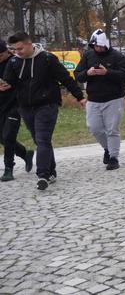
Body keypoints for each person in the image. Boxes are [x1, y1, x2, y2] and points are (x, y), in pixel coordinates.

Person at [0, 32, 86, 190]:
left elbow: (65, 78)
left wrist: (79, 97)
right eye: (14, 49)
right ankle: (51, 171)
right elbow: (9, 82)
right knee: (40, 140)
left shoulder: (47, 59)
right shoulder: (13, 62)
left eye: (20, 48)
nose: (17, 52)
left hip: (47, 105)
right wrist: (4, 86)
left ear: (29, 43)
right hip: (25, 107)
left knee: (42, 139)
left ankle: (43, 175)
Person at [74, 30, 125, 170]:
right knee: (94, 128)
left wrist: (107, 72)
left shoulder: (117, 56)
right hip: (93, 99)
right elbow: (77, 75)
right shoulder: (88, 55)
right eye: (94, 46)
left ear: (105, 44)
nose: (97, 49)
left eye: (99, 46)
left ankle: (113, 158)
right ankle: (107, 148)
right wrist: (88, 73)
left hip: (114, 99)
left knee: (112, 130)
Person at [0, 40, 33, 181]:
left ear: (7, 51)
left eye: (0, 55)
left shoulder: (15, 62)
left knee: (8, 136)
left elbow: (25, 80)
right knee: (2, 138)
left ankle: (8, 169)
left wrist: (11, 84)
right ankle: (25, 154)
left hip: (15, 105)